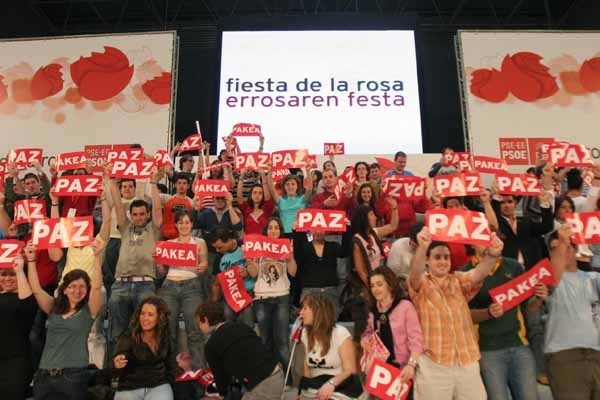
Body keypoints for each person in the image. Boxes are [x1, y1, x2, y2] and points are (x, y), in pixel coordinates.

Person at [408, 227, 503, 400]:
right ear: (427, 261)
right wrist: (422, 248)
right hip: (434, 364)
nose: (443, 261)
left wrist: (492, 255)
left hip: (467, 360)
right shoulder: (421, 284)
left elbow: (479, 273)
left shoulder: (458, 280)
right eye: (437, 257)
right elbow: (414, 275)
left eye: (446, 257)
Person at [23, 239, 103, 399]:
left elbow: (96, 287)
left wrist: (97, 257)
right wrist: (31, 261)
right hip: (44, 375)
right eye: (72, 286)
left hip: (73, 377)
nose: (77, 291)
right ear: (64, 289)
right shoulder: (53, 307)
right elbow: (36, 289)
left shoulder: (89, 311)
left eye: (82, 287)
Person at [465, 245, 545, 400]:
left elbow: (529, 307)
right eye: (481, 239)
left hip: (519, 344)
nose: (487, 243)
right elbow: (464, 316)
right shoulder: (465, 273)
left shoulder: (513, 266)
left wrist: (538, 299)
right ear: (472, 243)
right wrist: (488, 312)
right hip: (487, 350)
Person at [107, 168, 163, 356]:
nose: (139, 217)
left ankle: (145, 366)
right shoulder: (125, 227)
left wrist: (153, 183)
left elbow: (157, 209)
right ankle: (117, 368)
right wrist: (112, 181)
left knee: (146, 332)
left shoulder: (153, 230)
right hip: (121, 285)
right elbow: (117, 204)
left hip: (145, 285)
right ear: (130, 215)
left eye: (142, 214)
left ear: (147, 215)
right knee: (117, 332)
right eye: (135, 214)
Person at [543, 226, 600, 399]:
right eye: (555, 248)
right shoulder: (544, 280)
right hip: (564, 356)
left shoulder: (593, 278)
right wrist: (563, 241)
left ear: (575, 250)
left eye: (567, 246)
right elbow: (552, 280)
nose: (562, 251)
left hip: (596, 353)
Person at [196, 301, 284, 400]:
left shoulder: (211, 345)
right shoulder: (242, 326)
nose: (199, 327)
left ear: (205, 320)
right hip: (277, 374)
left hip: (263, 385)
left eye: (199, 323)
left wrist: (221, 394)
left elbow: (221, 379)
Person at [247, 217, 297, 383]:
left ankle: (288, 379)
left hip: (282, 297)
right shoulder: (258, 246)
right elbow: (253, 274)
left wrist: (290, 257)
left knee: (282, 341)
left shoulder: (285, 246)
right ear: (266, 230)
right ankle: (268, 379)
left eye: (276, 228)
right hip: (261, 298)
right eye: (270, 228)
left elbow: (293, 272)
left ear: (280, 230)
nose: (273, 230)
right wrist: (250, 262)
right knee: (265, 341)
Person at [361, 267, 423, 398]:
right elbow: (368, 332)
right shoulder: (373, 310)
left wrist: (411, 365)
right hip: (380, 371)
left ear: (389, 284)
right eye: (372, 286)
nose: (375, 289)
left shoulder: (405, 306)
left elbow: (416, 340)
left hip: (403, 370)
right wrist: (365, 339)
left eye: (379, 284)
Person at [159, 210, 209, 370]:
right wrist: (158, 262)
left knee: (195, 330)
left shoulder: (199, 242)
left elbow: (204, 265)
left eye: (187, 222)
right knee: (168, 330)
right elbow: (162, 271)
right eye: (180, 222)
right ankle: (169, 372)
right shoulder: (169, 243)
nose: (184, 226)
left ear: (192, 224)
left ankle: (198, 373)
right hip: (169, 286)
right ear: (175, 224)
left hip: (191, 286)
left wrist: (202, 267)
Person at [298, 293, 362, 400]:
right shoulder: (305, 333)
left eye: (305, 309)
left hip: (340, 387)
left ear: (318, 311)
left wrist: (331, 384)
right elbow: (307, 368)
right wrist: (300, 392)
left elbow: (350, 370)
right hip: (315, 387)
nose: (300, 313)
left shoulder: (340, 333)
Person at [112, 296, 176, 400]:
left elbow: (170, 365)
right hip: (130, 386)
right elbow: (115, 366)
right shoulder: (128, 337)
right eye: (142, 313)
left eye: (150, 314)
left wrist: (169, 380)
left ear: (160, 318)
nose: (145, 318)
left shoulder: (165, 338)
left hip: (158, 385)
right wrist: (116, 364)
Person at [0, 255, 38, 400]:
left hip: (16, 362)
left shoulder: (25, 299)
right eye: (3, 274)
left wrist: (20, 270)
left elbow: (28, 305)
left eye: (12, 274)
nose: (7, 278)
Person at [211, 227, 255, 327]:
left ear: (229, 240)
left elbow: (259, 267)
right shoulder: (219, 258)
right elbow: (216, 283)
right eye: (216, 248)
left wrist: (248, 271)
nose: (217, 251)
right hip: (231, 293)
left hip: (249, 291)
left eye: (220, 247)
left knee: (247, 317)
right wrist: (213, 304)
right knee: (227, 314)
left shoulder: (245, 245)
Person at [351, 201, 398, 286]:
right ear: (364, 218)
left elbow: (393, 226)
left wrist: (394, 209)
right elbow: (360, 271)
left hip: (380, 276)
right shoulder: (357, 241)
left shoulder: (374, 232)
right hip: (370, 281)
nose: (375, 217)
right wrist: (371, 286)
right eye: (372, 215)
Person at [236, 169, 274, 235]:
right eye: (254, 192)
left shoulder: (267, 208)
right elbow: (239, 196)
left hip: (264, 240)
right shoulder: (246, 208)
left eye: (260, 193)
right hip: (249, 240)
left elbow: (268, 197)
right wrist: (241, 175)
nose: (257, 195)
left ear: (263, 195)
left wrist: (263, 175)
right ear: (251, 195)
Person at [162, 173, 193, 239]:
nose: (181, 185)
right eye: (179, 183)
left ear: (188, 186)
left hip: (184, 237)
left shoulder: (191, 203)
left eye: (184, 183)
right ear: (175, 185)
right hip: (168, 236)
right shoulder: (167, 200)